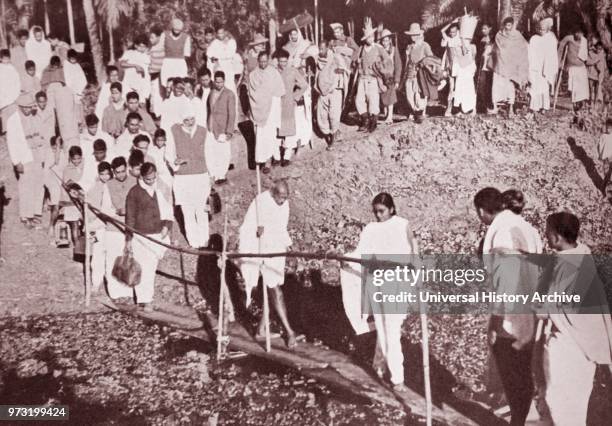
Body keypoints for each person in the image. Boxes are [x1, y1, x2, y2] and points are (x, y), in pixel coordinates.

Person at [474, 187, 543, 426]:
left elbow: (506, 279)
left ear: (482, 211)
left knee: (512, 369)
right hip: (529, 308)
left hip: (510, 312)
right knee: (521, 368)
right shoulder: (528, 228)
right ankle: (521, 415)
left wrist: (495, 319)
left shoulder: (502, 231)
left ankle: (518, 418)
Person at [339, 192, 419, 391]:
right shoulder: (371, 229)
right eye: (375, 212)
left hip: (398, 283)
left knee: (390, 329)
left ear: (391, 209)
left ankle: (396, 376)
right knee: (385, 328)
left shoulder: (402, 225)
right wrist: (344, 257)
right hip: (379, 283)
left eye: (382, 211)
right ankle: (384, 369)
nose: (378, 215)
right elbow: (361, 253)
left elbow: (413, 252)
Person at [538, 212, 612, 425]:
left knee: (559, 404)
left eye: (548, 231)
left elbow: (543, 309)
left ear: (556, 237)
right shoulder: (582, 255)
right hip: (587, 350)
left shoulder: (563, 267)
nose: (546, 235)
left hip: (566, 347)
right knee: (576, 405)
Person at [238, 179, 297, 348]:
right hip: (262, 250)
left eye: (286, 197)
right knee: (275, 291)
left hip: (277, 250)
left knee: (274, 289)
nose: (283, 201)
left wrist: (290, 246)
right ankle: (289, 331)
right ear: (273, 192)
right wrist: (257, 229)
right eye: (280, 197)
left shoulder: (285, 204)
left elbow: (281, 228)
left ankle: (261, 330)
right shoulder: (260, 202)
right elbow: (247, 228)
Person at [125, 162, 173, 312]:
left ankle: (147, 298)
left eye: (153, 178)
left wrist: (167, 226)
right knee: (142, 267)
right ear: (141, 177)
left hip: (157, 233)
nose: (151, 181)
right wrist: (128, 239)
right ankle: (144, 300)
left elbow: (169, 209)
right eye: (148, 179)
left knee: (151, 268)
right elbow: (130, 217)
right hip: (141, 234)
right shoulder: (134, 192)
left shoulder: (161, 187)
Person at [168, 107, 210, 248]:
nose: (190, 122)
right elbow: (169, 153)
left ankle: (204, 240)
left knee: (202, 209)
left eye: (192, 119)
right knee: (188, 210)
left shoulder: (203, 131)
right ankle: (194, 242)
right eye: (186, 120)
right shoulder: (174, 131)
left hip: (201, 176)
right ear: (181, 121)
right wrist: (176, 163)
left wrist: (211, 173)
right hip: (183, 178)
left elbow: (210, 153)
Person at [5, 93, 46, 228]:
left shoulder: (35, 117)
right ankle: (25, 215)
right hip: (24, 157)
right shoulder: (13, 121)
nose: (29, 109)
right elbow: (12, 143)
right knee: (26, 187)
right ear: (21, 107)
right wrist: (17, 162)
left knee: (38, 185)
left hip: (37, 155)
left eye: (30, 107)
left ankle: (35, 213)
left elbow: (41, 136)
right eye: (26, 107)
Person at [247, 51, 285, 173]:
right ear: (258, 61)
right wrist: (266, 94)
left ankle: (275, 157)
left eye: (265, 61)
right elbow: (253, 93)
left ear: (268, 60)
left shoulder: (273, 72)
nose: (263, 64)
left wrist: (270, 96)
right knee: (262, 135)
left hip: (272, 108)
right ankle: (265, 161)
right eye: (261, 61)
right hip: (260, 109)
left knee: (271, 134)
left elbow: (279, 90)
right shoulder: (253, 75)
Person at [105, 156, 136, 301]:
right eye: (118, 172)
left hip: (132, 227)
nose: (121, 175)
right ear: (113, 172)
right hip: (114, 227)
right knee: (114, 258)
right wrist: (117, 212)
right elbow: (105, 208)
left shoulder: (135, 182)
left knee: (129, 258)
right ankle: (115, 292)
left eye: (123, 171)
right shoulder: (108, 185)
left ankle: (129, 291)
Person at [355, 19, 392, 133]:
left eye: (371, 36)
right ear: (365, 38)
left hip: (373, 79)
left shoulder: (378, 48)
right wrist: (357, 61)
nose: (370, 38)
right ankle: (365, 121)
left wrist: (380, 67)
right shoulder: (361, 49)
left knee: (373, 100)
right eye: (368, 37)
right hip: (362, 78)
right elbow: (354, 60)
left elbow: (388, 61)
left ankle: (373, 122)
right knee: (359, 100)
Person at [489, 17, 529, 115]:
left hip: (511, 65)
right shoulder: (499, 34)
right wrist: (501, 54)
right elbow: (496, 48)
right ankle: (495, 106)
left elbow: (523, 46)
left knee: (510, 86)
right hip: (500, 64)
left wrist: (515, 58)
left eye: (509, 25)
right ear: (504, 25)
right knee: (497, 85)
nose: (507, 27)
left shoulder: (517, 35)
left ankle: (510, 108)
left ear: (512, 25)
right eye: (506, 25)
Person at [276, 49, 308, 166]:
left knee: (289, 128)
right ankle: (277, 155)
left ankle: (287, 156)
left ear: (288, 61)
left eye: (285, 61)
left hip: (289, 102)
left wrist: (295, 97)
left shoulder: (292, 71)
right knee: (278, 128)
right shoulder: (274, 72)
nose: (283, 64)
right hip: (277, 103)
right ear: (277, 61)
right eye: (281, 61)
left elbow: (304, 85)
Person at [315, 40, 349, 149]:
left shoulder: (335, 58)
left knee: (333, 114)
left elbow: (345, 70)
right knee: (321, 115)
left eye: (322, 48)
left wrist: (340, 71)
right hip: (323, 91)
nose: (320, 51)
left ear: (327, 48)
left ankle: (333, 137)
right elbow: (317, 75)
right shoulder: (318, 60)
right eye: (319, 49)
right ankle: (328, 133)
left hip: (334, 90)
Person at [86, 161, 114, 293]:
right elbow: (89, 209)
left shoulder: (114, 186)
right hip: (98, 225)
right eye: (102, 174)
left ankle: (112, 282)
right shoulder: (94, 188)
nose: (105, 177)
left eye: (107, 174)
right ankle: (96, 282)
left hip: (112, 226)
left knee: (112, 254)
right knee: (97, 255)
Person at [206, 71, 236, 183]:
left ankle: (222, 175)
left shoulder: (229, 94)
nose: (219, 84)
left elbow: (232, 113)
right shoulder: (211, 93)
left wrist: (229, 131)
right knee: (213, 152)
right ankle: (214, 174)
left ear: (224, 81)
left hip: (223, 128)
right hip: (211, 126)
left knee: (223, 153)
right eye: (217, 82)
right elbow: (209, 110)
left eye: (221, 82)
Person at [403, 23, 434, 122]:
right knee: (409, 94)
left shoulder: (425, 46)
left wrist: (423, 64)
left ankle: (420, 113)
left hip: (420, 73)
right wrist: (407, 55)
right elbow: (407, 62)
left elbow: (431, 58)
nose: (412, 37)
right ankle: (414, 111)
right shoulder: (409, 46)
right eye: (411, 35)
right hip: (410, 73)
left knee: (418, 94)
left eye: (414, 34)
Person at [528, 18, 558, 113]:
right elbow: (530, 53)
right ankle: (535, 107)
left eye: (543, 29)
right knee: (535, 86)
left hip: (546, 66)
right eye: (540, 29)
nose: (541, 31)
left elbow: (552, 53)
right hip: (536, 65)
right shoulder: (534, 39)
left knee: (544, 86)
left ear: (547, 29)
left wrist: (548, 65)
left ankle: (545, 107)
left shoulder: (551, 38)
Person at [558, 27, 589, 111]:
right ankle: (574, 104)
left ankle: (581, 105)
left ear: (582, 34)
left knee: (582, 88)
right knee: (574, 86)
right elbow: (561, 47)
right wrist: (559, 61)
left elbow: (585, 55)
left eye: (580, 33)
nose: (577, 35)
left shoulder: (584, 41)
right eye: (576, 32)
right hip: (572, 66)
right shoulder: (569, 38)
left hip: (581, 66)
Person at [43, 135, 67, 239]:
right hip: (51, 181)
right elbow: (56, 162)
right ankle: (51, 225)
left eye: (59, 146)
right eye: (55, 146)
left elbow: (64, 167)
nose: (57, 148)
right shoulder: (49, 153)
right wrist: (57, 147)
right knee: (56, 206)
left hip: (61, 181)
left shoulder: (62, 153)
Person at [206, 26, 238, 101]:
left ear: (225, 32)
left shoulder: (231, 42)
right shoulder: (214, 43)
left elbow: (230, 54)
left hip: (228, 70)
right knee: (218, 89)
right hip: (218, 69)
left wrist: (219, 56)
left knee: (230, 88)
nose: (220, 35)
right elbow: (210, 56)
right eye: (219, 33)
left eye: (222, 33)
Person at [61, 146, 85, 243]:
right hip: (71, 201)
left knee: (83, 223)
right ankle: (77, 245)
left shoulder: (85, 166)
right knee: (74, 224)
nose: (76, 161)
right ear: (70, 158)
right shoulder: (67, 169)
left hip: (82, 199)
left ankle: (83, 244)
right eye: (74, 159)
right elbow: (67, 184)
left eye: (78, 158)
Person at [119, 35, 151, 103]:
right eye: (141, 46)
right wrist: (135, 65)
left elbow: (148, 70)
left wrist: (143, 71)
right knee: (127, 101)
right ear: (136, 45)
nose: (143, 48)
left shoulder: (147, 56)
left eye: (144, 47)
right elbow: (122, 64)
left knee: (141, 103)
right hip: (129, 82)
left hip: (141, 83)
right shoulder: (130, 53)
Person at [379, 30, 401, 124]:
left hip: (391, 77)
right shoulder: (379, 50)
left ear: (390, 40)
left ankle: (390, 116)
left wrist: (397, 80)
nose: (385, 43)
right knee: (383, 96)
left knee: (391, 96)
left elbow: (398, 65)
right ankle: (386, 114)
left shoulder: (394, 50)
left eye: (386, 40)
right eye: (383, 41)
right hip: (381, 76)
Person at [160, 18, 191, 87]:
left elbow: (186, 54)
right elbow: (160, 48)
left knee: (179, 83)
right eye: (175, 29)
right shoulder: (164, 34)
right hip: (167, 62)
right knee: (167, 84)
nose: (177, 31)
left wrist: (179, 62)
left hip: (180, 63)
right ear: (172, 27)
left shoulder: (186, 37)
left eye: (179, 30)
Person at [63, 49, 88, 124]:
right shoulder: (66, 64)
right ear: (68, 58)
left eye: (74, 58)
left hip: (79, 90)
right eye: (71, 58)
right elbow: (68, 79)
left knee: (80, 108)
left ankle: (81, 123)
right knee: (73, 108)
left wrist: (80, 90)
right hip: (72, 91)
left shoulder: (77, 65)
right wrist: (73, 90)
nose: (73, 60)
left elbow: (83, 79)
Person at [477, 23, 494, 113]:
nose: (483, 30)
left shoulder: (493, 39)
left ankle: (489, 106)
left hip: (490, 66)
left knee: (489, 86)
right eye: (482, 29)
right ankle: (482, 106)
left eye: (485, 28)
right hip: (482, 66)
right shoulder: (480, 39)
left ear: (490, 29)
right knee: (481, 86)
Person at [148, 26, 166, 116]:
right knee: (154, 94)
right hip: (153, 75)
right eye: (150, 37)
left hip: (162, 75)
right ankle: (156, 115)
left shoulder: (163, 47)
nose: (150, 40)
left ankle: (162, 114)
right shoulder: (150, 49)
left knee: (161, 94)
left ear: (159, 37)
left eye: (152, 37)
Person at [0, 49, 21, 120]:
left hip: (11, 97)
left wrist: (15, 95)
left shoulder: (12, 69)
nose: (6, 61)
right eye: (4, 59)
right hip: (2, 96)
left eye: (7, 59)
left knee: (11, 118)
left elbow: (17, 82)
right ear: (0, 58)